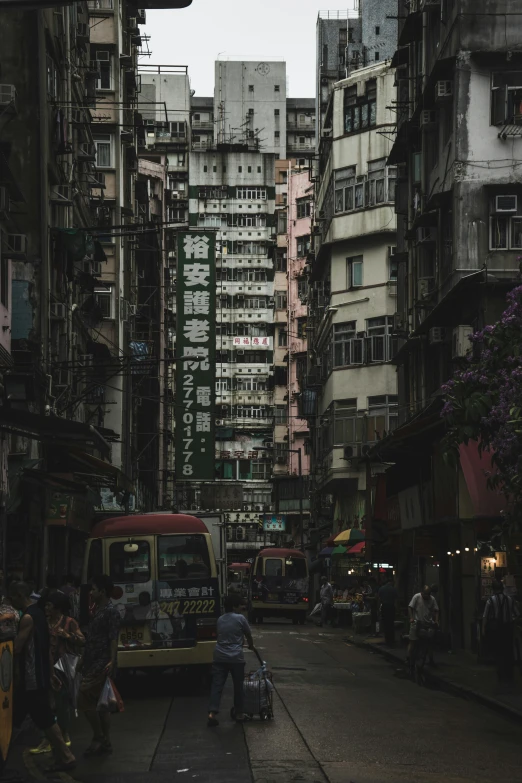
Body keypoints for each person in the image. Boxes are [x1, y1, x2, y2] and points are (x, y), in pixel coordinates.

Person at [9, 582, 76, 773]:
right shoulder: (40, 615)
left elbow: (17, 647)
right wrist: (51, 673)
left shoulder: (28, 617)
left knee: (44, 717)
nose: (11, 603)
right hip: (37, 676)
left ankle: (66, 756)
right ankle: (63, 756)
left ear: (18, 596)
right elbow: (47, 648)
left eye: (12, 599)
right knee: (22, 718)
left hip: (31, 678)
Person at [30, 591, 85, 755]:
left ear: (58, 608)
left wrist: (68, 636)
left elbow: (82, 640)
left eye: (49, 605)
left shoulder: (69, 622)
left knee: (62, 703)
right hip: (45, 667)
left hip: (63, 667)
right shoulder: (43, 622)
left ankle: (64, 733)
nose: (46, 608)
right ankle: (46, 739)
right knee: (45, 703)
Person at [78, 575, 120, 756]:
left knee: (84, 695)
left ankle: (99, 736)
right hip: (92, 661)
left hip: (101, 662)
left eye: (94, 589)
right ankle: (107, 742)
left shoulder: (111, 611)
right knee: (101, 704)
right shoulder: (97, 610)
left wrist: (112, 660)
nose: (91, 592)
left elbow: (113, 638)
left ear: (102, 592)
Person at [208, 593, 253, 727]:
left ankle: (212, 713)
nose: (241, 608)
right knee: (238, 686)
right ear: (234, 607)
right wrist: (251, 644)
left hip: (219, 656)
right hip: (235, 658)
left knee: (217, 685)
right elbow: (248, 634)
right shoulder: (240, 618)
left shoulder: (220, 619)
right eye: (240, 605)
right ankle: (239, 713)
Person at [482, 580, 520, 686]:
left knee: (499, 651)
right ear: (502, 588)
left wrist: (483, 629)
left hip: (496, 629)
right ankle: (509, 673)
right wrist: (511, 621)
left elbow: (485, 616)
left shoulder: (491, 600)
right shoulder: (510, 599)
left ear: (493, 589)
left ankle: (501, 673)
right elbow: (517, 614)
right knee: (508, 650)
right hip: (508, 628)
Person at [407, 585, 439, 662]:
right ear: (422, 593)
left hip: (427, 624)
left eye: (428, 594)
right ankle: (408, 658)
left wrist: (436, 620)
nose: (426, 596)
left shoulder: (432, 599)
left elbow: (436, 610)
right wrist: (411, 618)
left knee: (429, 642)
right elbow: (410, 607)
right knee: (412, 641)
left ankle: (431, 660)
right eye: (425, 594)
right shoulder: (417, 597)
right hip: (416, 622)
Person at [378, 577, 399, 646]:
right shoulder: (394, 589)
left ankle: (387, 640)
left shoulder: (381, 589)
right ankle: (391, 640)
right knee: (391, 624)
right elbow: (396, 601)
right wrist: (396, 610)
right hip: (391, 607)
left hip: (384, 607)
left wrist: (379, 608)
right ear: (391, 582)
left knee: (385, 624)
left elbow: (379, 599)